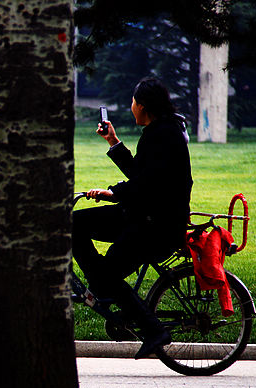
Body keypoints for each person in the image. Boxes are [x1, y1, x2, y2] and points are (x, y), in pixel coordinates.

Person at [73, 77, 193, 359]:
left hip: (156, 225)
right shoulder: (160, 131)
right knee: (74, 224)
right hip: (144, 216)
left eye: (133, 102)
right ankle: (100, 286)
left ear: (143, 106)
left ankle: (152, 329)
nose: (131, 107)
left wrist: (112, 193)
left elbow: (146, 184)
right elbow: (141, 173)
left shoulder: (162, 135)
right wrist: (113, 141)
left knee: (104, 273)